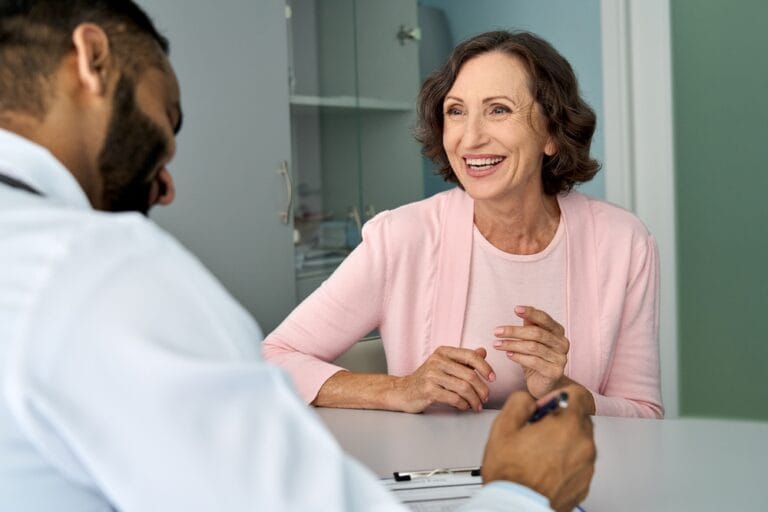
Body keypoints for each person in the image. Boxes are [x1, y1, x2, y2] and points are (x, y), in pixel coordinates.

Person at [0, 2, 596, 511]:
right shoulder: (98, 271)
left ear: (550, 134)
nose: (167, 186)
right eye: (164, 123)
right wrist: (522, 493)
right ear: (90, 59)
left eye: (499, 109)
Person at [263, 30, 663, 419]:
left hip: (577, 478)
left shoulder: (623, 244)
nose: (470, 139)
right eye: (456, 111)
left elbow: (643, 413)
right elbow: (271, 358)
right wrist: (400, 388)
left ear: (552, 134)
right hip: (437, 478)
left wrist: (562, 391)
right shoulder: (402, 237)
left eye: (498, 110)